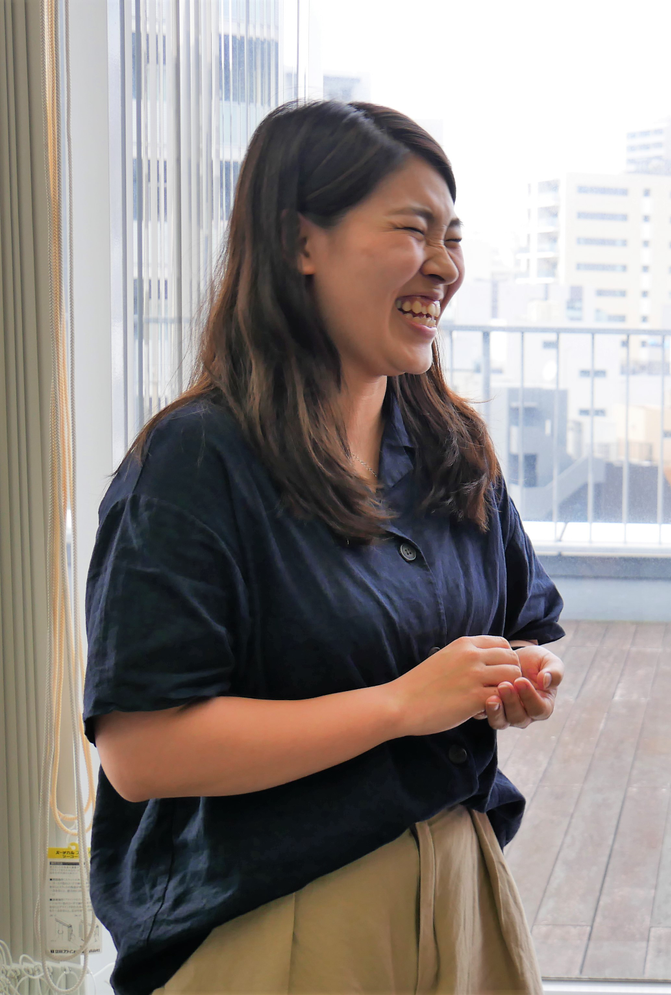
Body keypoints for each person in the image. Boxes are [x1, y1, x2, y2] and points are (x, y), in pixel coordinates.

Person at [84, 101, 562, 995]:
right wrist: (401, 705)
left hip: (463, 890)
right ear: (300, 241)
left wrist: (519, 672)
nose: (445, 265)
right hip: (279, 920)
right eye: (413, 230)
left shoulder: (452, 447)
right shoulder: (195, 461)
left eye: (454, 236)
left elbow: (523, 623)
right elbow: (142, 751)